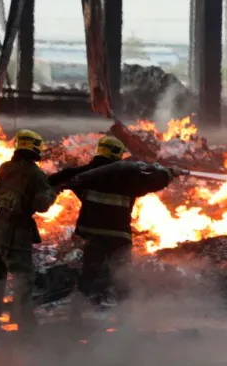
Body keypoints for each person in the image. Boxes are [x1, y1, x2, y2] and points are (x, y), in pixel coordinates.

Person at [49, 136, 176, 322]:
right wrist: (168, 173)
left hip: (93, 235)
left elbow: (61, 177)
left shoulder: (87, 175)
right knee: (122, 277)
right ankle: (127, 320)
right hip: (119, 236)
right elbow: (156, 181)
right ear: (117, 153)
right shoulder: (129, 178)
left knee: (88, 273)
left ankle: (75, 315)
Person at [0, 129, 57, 334]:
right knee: (23, 276)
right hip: (16, 232)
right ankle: (24, 321)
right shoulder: (36, 174)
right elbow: (41, 205)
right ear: (35, 147)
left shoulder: (5, 167)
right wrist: (52, 193)